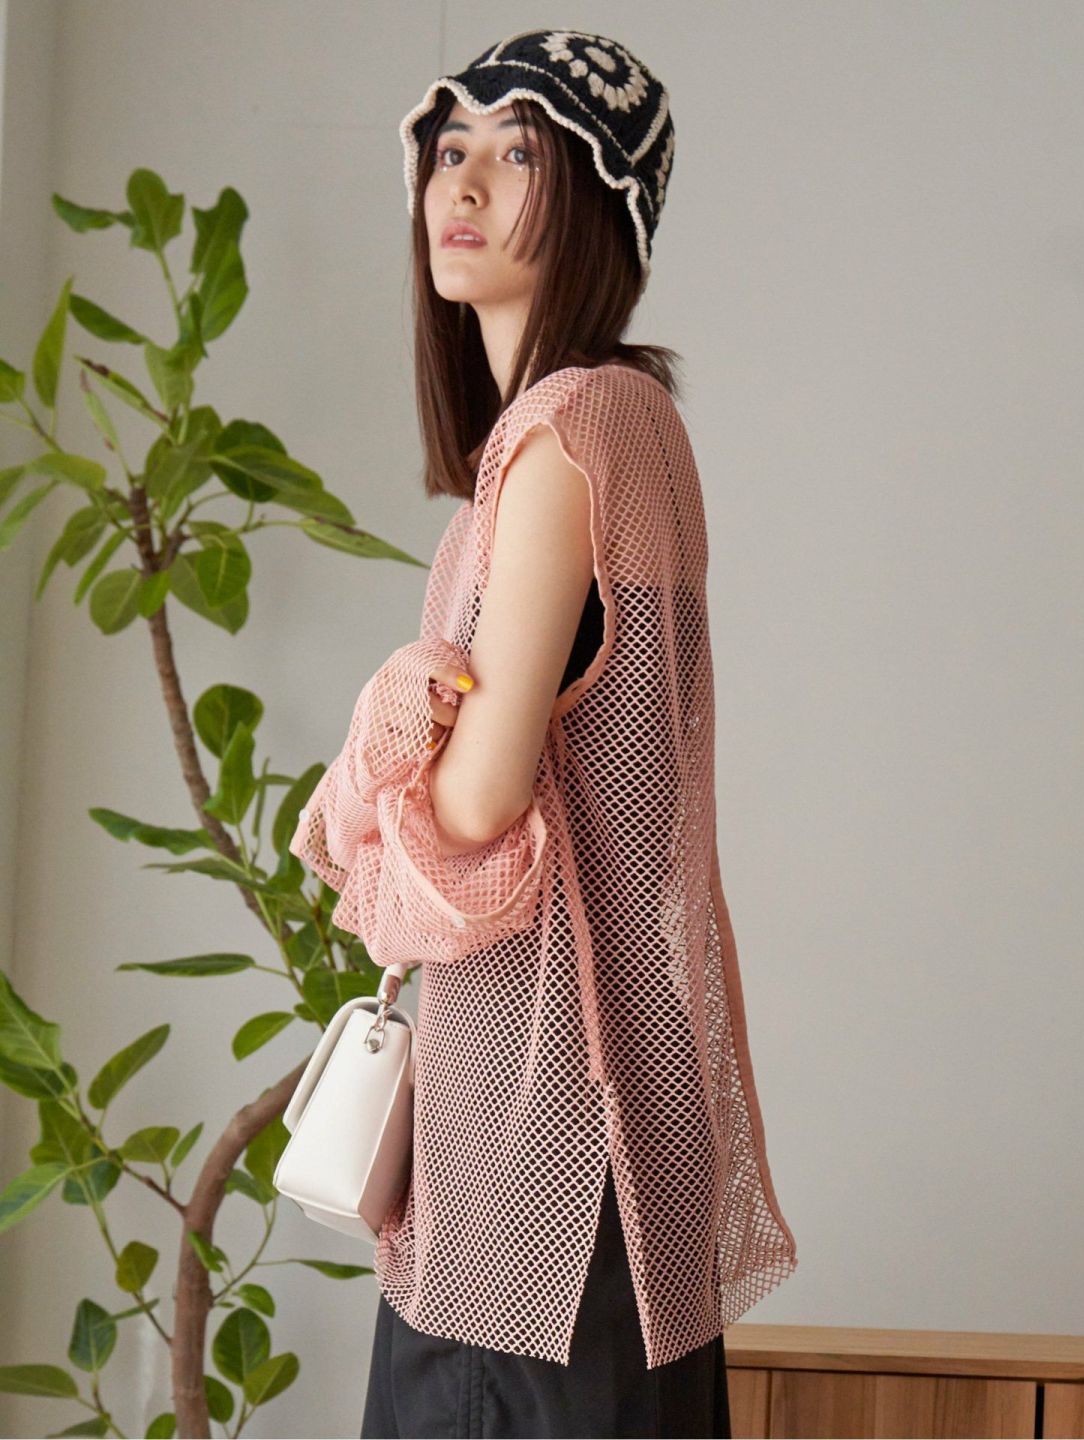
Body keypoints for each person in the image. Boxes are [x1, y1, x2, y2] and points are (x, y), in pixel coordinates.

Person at [289, 27, 798, 1440]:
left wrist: (387, 723)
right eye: (448, 150)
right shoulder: (616, 429)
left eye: (519, 155)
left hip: (536, 1158)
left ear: (601, 207)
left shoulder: (566, 433)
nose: (463, 186)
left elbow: (473, 810)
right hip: (609, 1133)